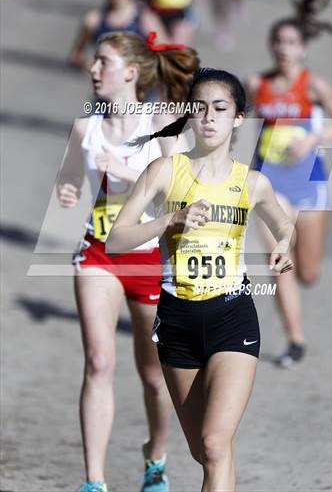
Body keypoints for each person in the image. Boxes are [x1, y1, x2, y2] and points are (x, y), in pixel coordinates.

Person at [107, 68, 295, 491]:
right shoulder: (164, 171)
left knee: (214, 444)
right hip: (177, 321)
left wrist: (283, 243)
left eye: (220, 108)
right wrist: (168, 220)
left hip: (233, 318)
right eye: (200, 107)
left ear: (238, 118)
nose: (209, 117)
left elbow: (285, 227)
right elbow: (117, 239)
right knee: (205, 451)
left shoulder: (252, 183)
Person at [57, 31, 199, 492]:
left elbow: (180, 190)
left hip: (149, 257)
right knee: (98, 361)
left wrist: (128, 173)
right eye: (94, 61)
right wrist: (69, 188)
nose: (93, 69)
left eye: (103, 62)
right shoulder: (86, 127)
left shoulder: (161, 123)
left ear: (131, 73)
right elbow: (71, 176)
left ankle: (155, 459)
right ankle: (93, 481)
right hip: (99, 252)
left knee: (155, 375)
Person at [246, 0, 332, 368]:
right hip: (270, 183)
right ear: (270, 45)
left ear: (303, 47)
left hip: (308, 183)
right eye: (278, 41)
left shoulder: (313, 85)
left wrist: (314, 136)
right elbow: (235, 121)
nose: (283, 48)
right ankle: (295, 339)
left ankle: (303, 297)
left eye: (291, 42)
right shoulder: (255, 85)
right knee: (280, 261)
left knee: (307, 272)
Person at [69, 0, 165, 72]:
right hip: (108, 87)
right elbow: (75, 55)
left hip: (141, 87)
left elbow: (167, 52)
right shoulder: (94, 19)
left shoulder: (145, 18)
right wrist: (90, 65)